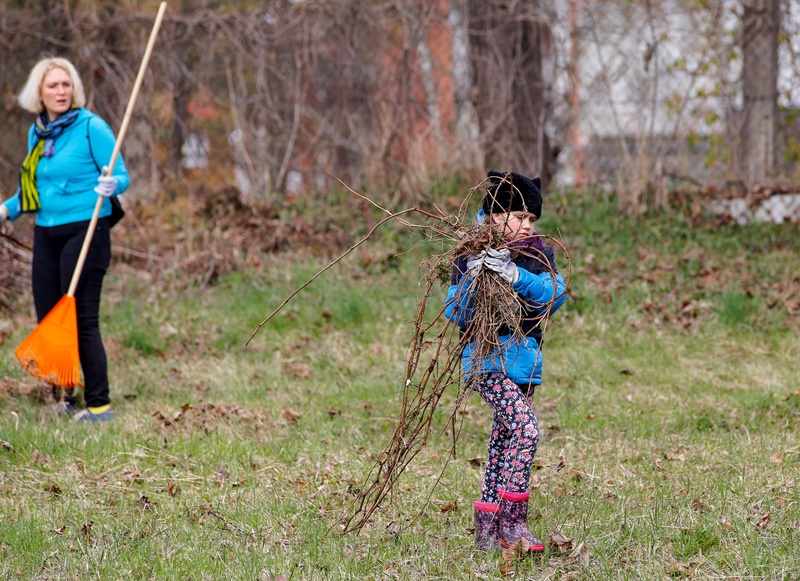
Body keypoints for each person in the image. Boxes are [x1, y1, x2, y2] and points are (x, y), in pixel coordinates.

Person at [0, 57, 130, 423]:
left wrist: (112, 184)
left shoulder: (91, 127)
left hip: (86, 230)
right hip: (46, 232)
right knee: (49, 318)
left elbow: (121, 175)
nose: (61, 91)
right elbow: (32, 190)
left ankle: (100, 407)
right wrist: (5, 210)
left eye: (66, 84)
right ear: (39, 93)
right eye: (53, 85)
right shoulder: (38, 133)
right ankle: (65, 396)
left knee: (82, 318)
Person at [444, 171, 567, 552]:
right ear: (496, 216)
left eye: (532, 219)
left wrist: (515, 275)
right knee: (526, 431)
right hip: (486, 362)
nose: (528, 225)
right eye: (520, 217)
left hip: (524, 366)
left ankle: (487, 530)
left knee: (503, 440)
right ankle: (513, 525)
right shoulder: (470, 252)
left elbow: (555, 294)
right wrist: (474, 275)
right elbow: (455, 311)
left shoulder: (537, 255)